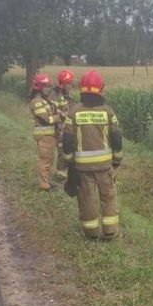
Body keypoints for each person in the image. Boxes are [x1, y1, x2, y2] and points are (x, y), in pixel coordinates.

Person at [61, 70, 123, 240]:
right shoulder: (108, 112)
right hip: (105, 166)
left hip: (82, 167)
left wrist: (69, 162)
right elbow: (117, 137)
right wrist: (117, 160)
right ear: (101, 89)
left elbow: (67, 140)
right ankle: (110, 232)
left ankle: (91, 233)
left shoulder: (73, 112)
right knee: (109, 197)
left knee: (87, 199)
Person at [29, 73, 59, 190]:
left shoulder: (44, 101)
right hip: (44, 135)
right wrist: (59, 117)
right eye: (46, 87)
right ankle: (44, 185)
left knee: (49, 159)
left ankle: (46, 182)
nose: (48, 89)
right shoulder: (37, 102)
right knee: (45, 160)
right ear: (39, 88)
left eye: (49, 87)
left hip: (49, 135)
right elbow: (46, 119)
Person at [52, 70, 76, 180]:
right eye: (69, 83)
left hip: (68, 127)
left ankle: (66, 172)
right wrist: (65, 114)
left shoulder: (67, 95)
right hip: (60, 128)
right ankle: (60, 173)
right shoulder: (56, 95)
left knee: (69, 148)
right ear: (64, 83)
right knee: (62, 151)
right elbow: (54, 111)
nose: (71, 85)